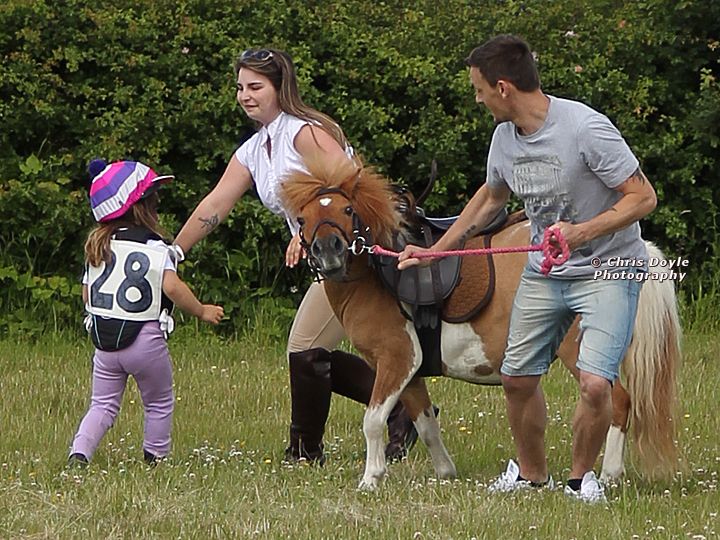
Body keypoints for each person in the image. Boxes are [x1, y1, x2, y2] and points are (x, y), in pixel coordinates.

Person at [398, 34, 657, 503]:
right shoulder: (504, 138)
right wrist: (438, 250)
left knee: (594, 383)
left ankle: (580, 481)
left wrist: (582, 232)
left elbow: (643, 197)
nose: (477, 99)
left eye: (479, 90)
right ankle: (532, 476)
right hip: (546, 272)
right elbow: (491, 197)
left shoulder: (586, 129)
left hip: (608, 268)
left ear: (503, 88)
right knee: (516, 378)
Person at [173, 47, 419, 464]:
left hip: (358, 260)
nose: (245, 95)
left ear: (279, 87)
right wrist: (174, 251)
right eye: (240, 87)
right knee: (308, 350)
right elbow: (216, 203)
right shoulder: (255, 149)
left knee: (306, 349)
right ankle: (397, 413)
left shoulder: (303, 133)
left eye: (255, 87)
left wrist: (309, 232)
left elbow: (350, 186)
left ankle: (308, 451)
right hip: (329, 263)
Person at [69, 160, 224, 466]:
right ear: (140, 207)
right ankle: (156, 459)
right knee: (158, 402)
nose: (158, 203)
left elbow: (87, 295)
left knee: (102, 404)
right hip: (145, 339)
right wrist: (202, 311)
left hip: (104, 342)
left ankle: (79, 453)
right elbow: (173, 288)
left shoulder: (98, 247)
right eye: (153, 199)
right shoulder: (157, 248)